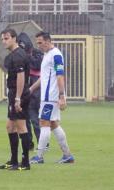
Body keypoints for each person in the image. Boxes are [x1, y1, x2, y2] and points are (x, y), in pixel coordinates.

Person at [29, 31, 74, 164]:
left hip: (51, 96)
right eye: (37, 43)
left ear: (48, 41)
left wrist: (61, 96)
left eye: (40, 43)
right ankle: (67, 155)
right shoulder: (47, 55)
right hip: (48, 96)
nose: (38, 45)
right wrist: (31, 89)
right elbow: (44, 77)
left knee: (43, 123)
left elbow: (60, 76)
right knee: (54, 124)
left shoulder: (56, 55)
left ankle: (39, 156)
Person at [0, 28, 31, 171]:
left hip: (19, 95)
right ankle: (13, 160)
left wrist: (18, 98)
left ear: (14, 38)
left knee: (21, 126)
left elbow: (22, 77)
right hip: (14, 94)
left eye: (6, 38)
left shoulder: (18, 55)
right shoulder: (12, 55)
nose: (4, 41)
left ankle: (25, 163)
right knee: (10, 127)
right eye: (3, 39)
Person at [17, 32, 49, 152]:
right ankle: (28, 144)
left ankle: (43, 144)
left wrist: (27, 55)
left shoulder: (37, 53)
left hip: (35, 91)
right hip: (24, 90)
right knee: (25, 119)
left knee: (35, 118)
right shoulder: (19, 56)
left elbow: (36, 65)